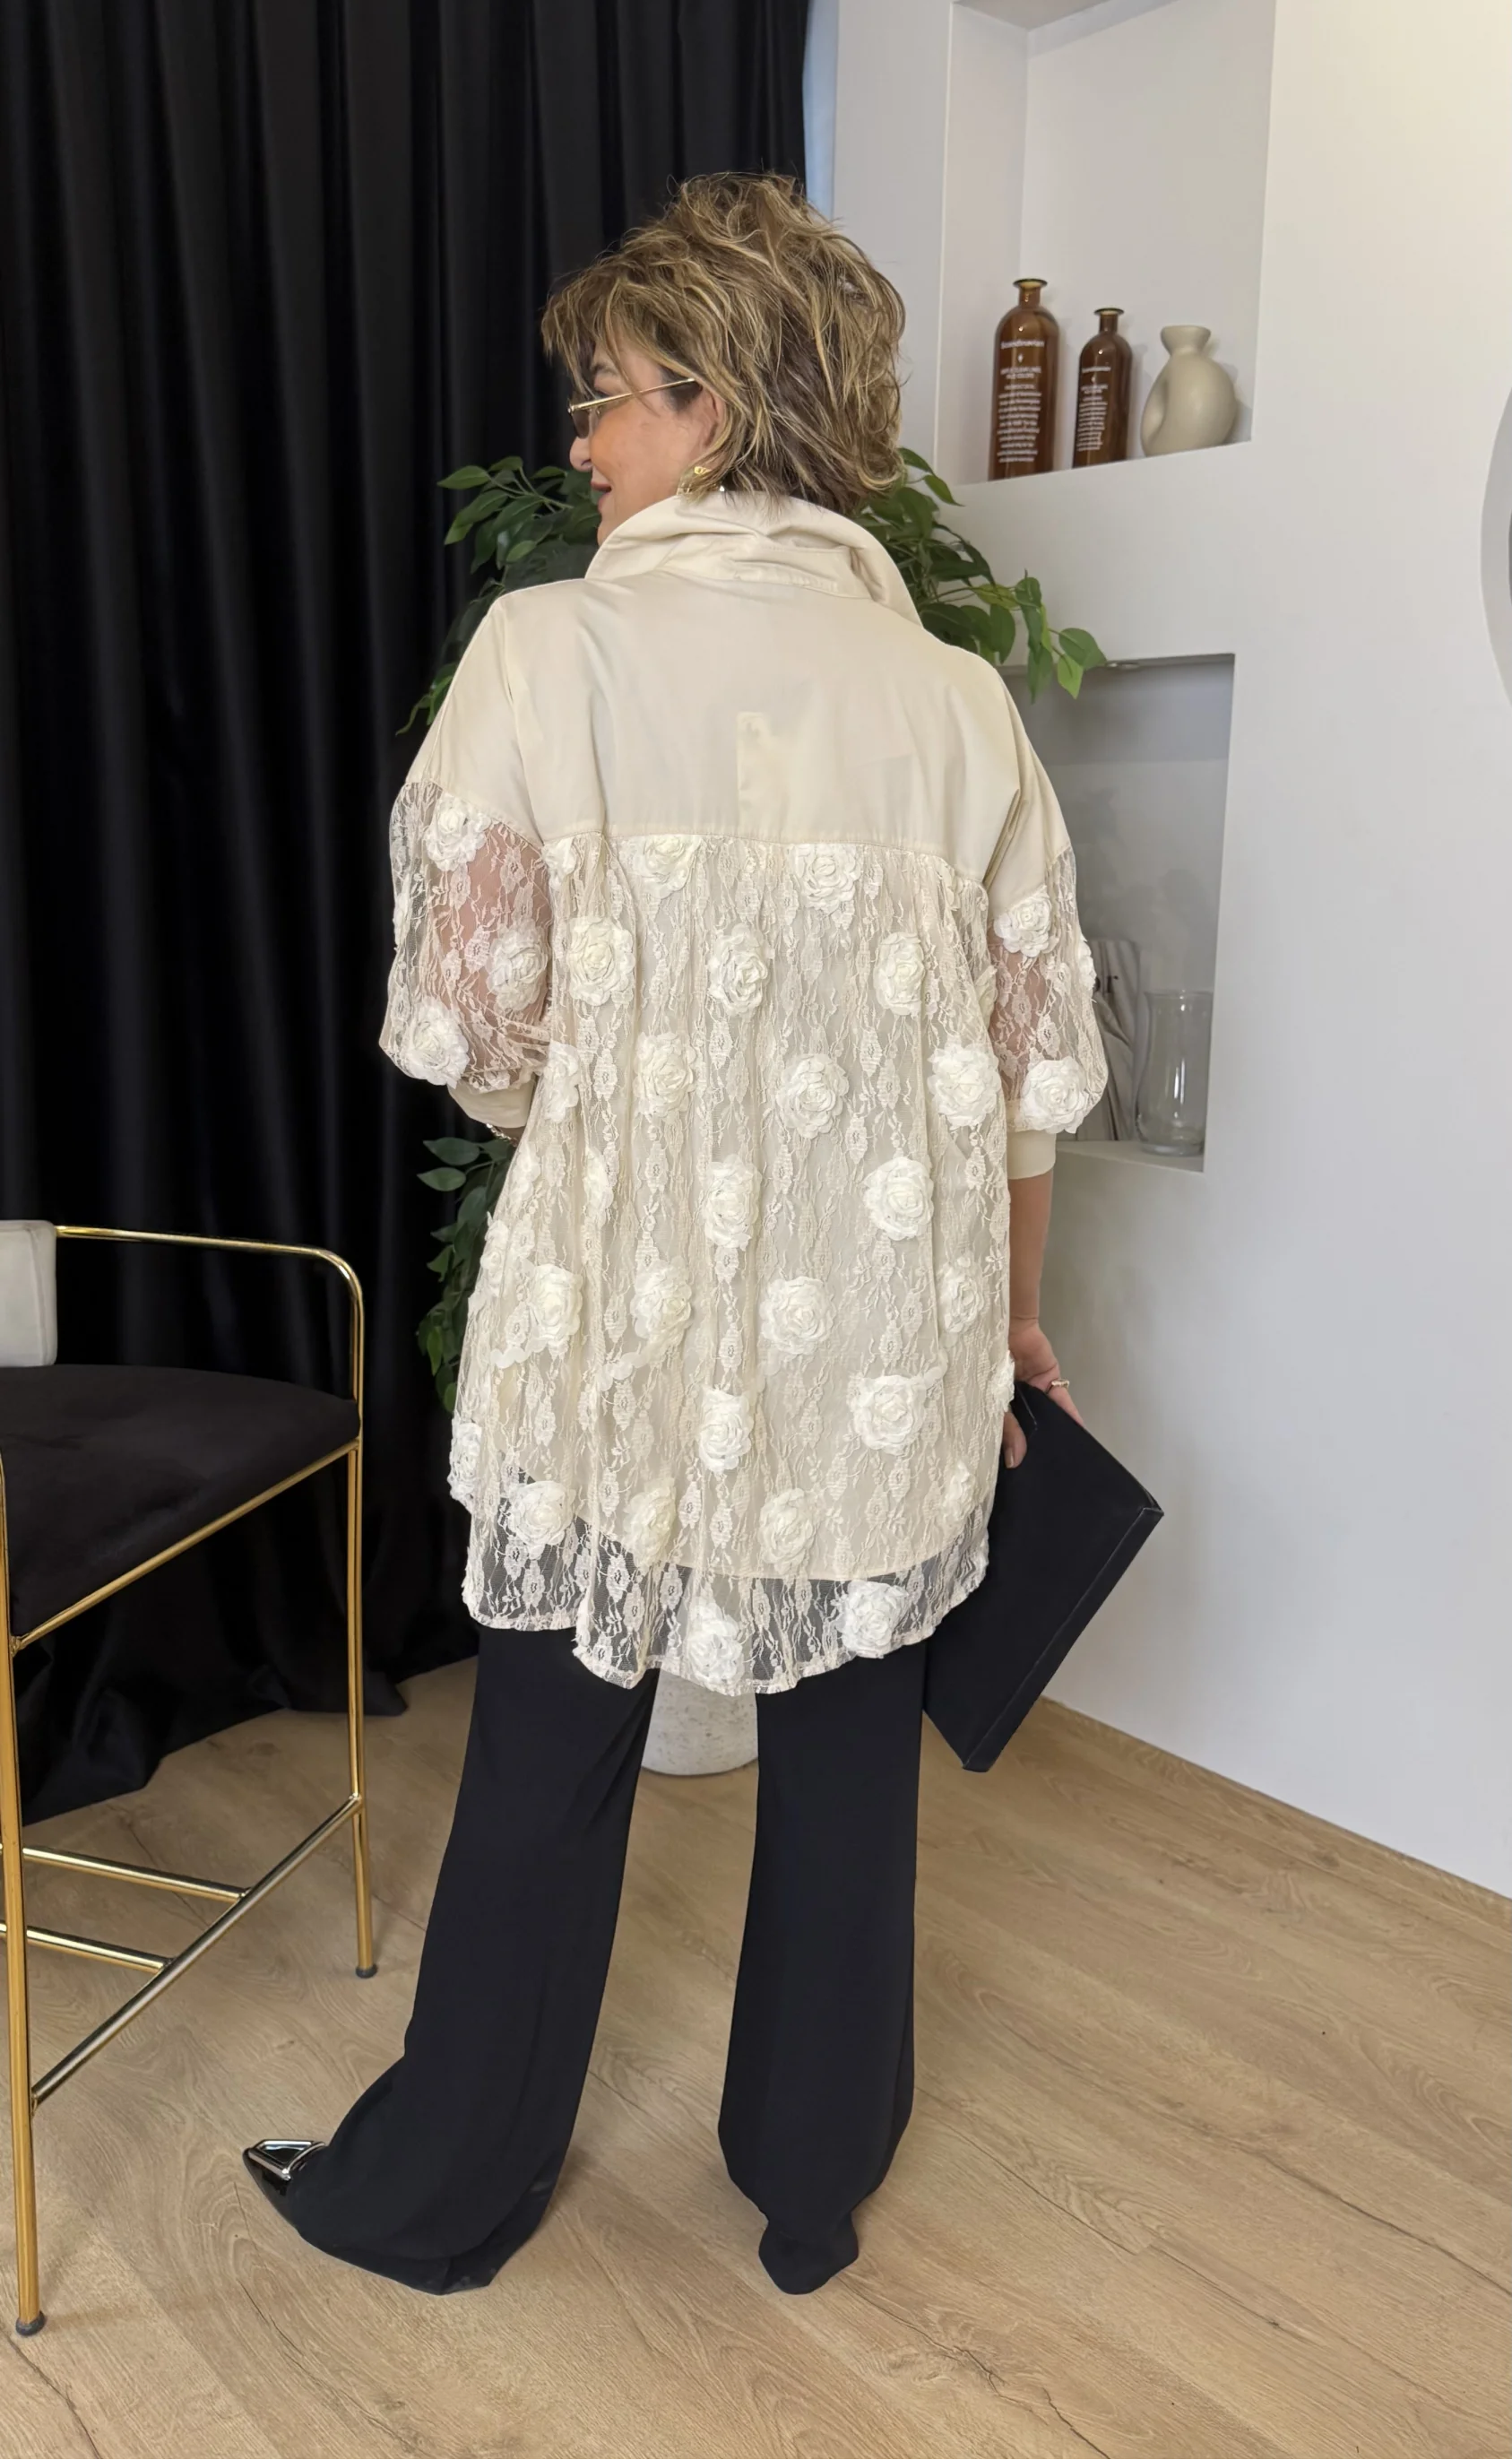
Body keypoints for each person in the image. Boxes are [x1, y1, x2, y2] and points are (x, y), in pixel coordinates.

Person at [244, 173, 1107, 2297]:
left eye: (610, 398)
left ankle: (444, 2193)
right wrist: (1013, 1326)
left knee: (548, 1750)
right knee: (851, 1765)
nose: (582, 443)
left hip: (619, 1311)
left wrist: (632, 1094)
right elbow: (1033, 1076)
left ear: (715, 407)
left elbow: (477, 1032)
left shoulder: (549, 654)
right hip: (888, 1332)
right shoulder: (960, 704)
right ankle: (810, 2187)